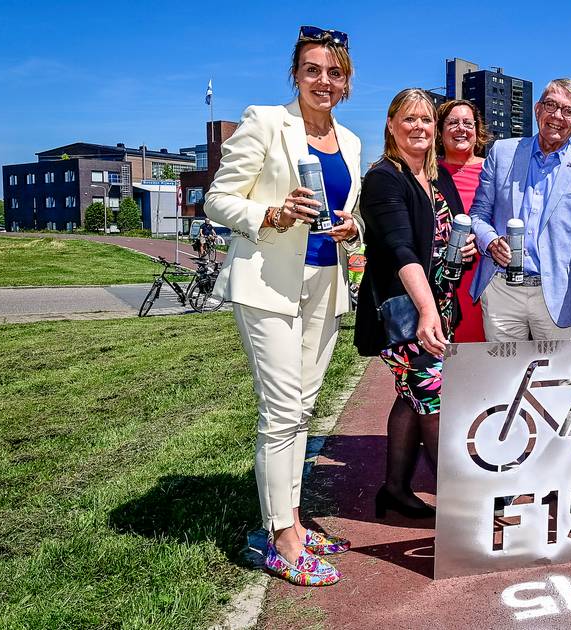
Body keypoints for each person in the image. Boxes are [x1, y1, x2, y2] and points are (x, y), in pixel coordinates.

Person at [204, 25, 361, 587]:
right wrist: (272, 213)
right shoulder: (265, 121)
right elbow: (216, 199)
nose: (324, 80)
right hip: (268, 282)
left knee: (305, 407)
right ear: (295, 74)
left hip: (325, 281)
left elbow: (351, 213)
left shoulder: (352, 140)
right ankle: (281, 536)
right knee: (281, 409)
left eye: (334, 72)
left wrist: (351, 226)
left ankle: (292, 518)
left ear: (346, 82)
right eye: (313, 70)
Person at [353, 88, 475, 520]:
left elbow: (453, 233)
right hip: (405, 316)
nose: (419, 127)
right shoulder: (385, 177)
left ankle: (395, 490)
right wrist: (426, 309)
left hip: (438, 310)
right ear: (391, 125)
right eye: (409, 119)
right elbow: (399, 249)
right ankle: (463, 508)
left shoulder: (438, 178)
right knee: (437, 401)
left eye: (426, 119)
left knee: (412, 399)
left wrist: (465, 246)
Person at [468, 78, 571, 341]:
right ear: (538, 109)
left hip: (559, 296)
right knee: (505, 377)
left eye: (568, 111)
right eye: (550, 105)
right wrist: (490, 241)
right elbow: (478, 214)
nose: (557, 116)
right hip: (502, 291)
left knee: (556, 380)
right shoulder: (502, 153)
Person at [437, 99, 491, 342]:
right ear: (440, 131)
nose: (461, 128)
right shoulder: (428, 172)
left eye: (468, 123)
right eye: (453, 123)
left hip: (487, 277)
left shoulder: (493, 170)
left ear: (477, 131)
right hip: (443, 279)